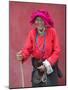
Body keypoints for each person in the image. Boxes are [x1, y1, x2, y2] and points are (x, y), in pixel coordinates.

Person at [16, 10, 61, 87]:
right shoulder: (32, 33)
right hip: (37, 68)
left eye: (41, 20)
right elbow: (27, 49)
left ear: (45, 21)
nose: (39, 22)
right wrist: (22, 56)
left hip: (50, 67)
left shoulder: (52, 32)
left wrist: (46, 65)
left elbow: (57, 51)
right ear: (34, 21)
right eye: (37, 20)